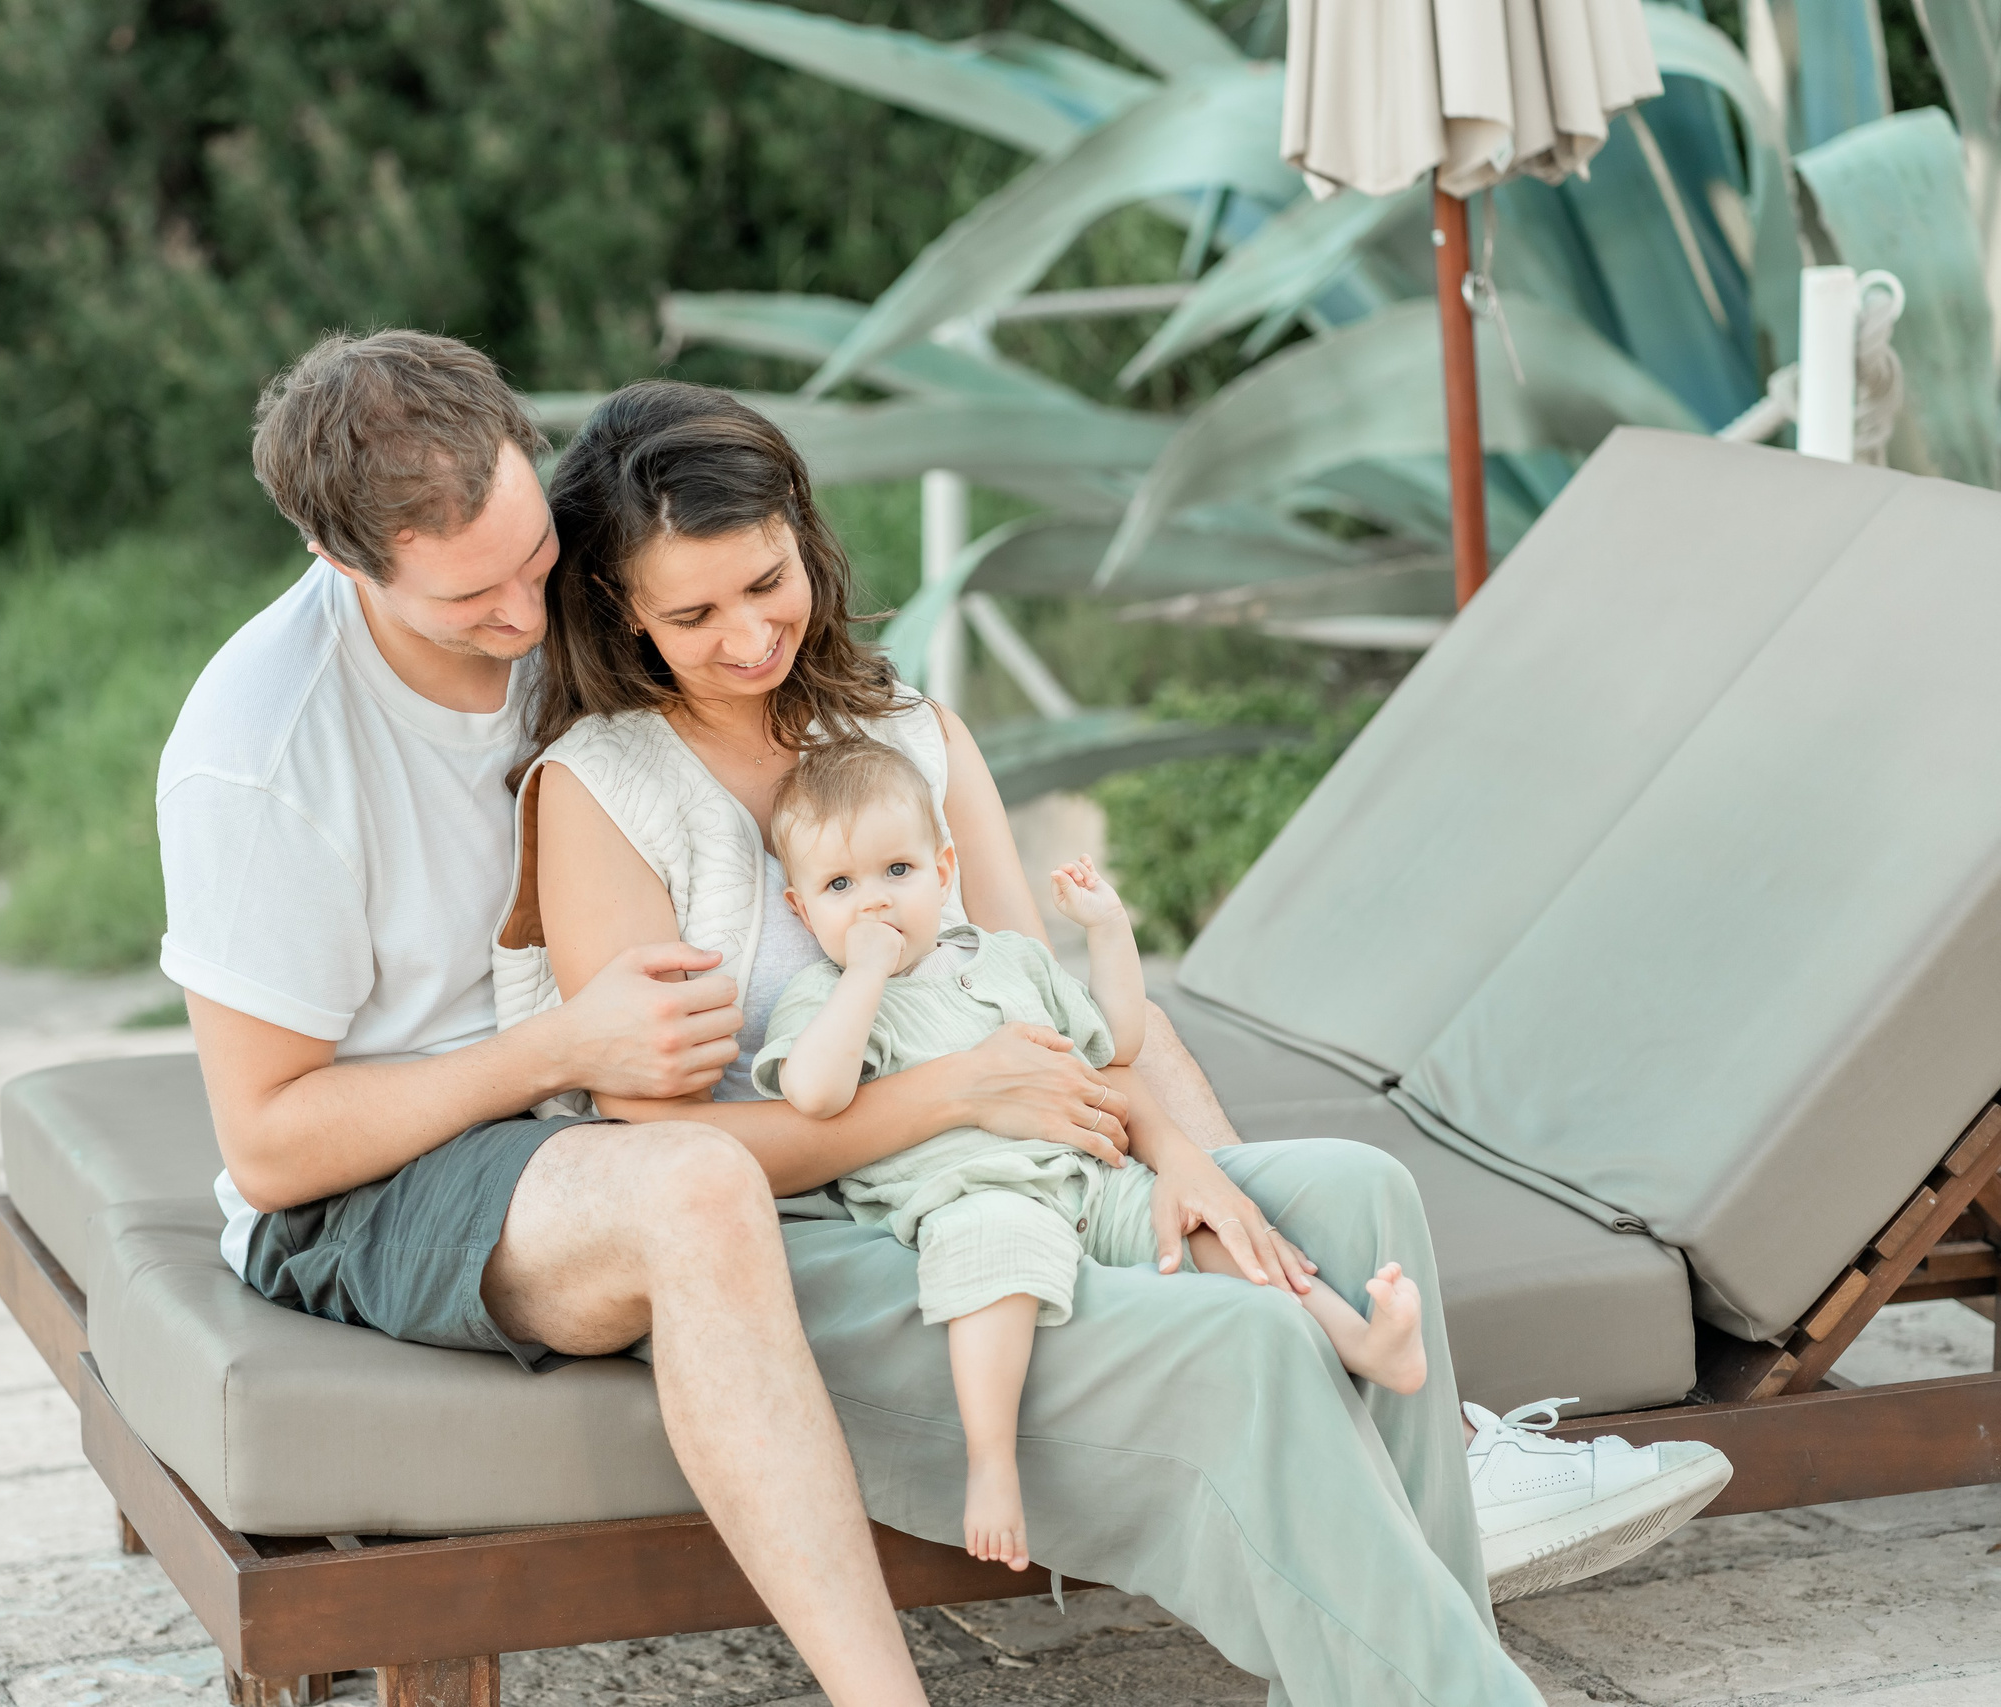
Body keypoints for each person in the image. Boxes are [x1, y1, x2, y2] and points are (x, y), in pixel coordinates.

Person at [158, 333, 1725, 1707]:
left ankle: (1420, 1536)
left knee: (1343, 1197)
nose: (526, 605)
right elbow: (309, 1132)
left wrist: (1190, 1160)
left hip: (930, 1141)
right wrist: (592, 1053)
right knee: (1184, 1333)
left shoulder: (852, 712)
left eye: (536, 558)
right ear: (342, 560)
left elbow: (1049, 992)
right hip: (504, 1163)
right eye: (477, 592)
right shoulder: (324, 752)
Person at [751, 738, 1427, 1571]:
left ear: (944, 866)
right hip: (969, 1193)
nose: (875, 905)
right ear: (799, 906)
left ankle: (1359, 1341)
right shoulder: (826, 998)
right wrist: (864, 975)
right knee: (994, 1262)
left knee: (1195, 1221)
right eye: (839, 886)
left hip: (1084, 1171)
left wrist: (1107, 930)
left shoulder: (1011, 958)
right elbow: (815, 1092)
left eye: (898, 870)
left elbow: (1118, 1042)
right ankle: (992, 1461)